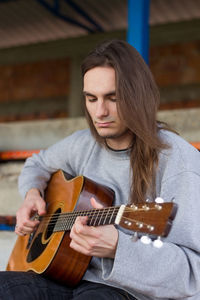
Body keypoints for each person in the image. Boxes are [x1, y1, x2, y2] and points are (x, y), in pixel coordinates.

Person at [0, 39, 200, 300]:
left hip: (128, 291)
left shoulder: (177, 160)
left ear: (138, 96)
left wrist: (119, 248)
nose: (100, 112)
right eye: (91, 99)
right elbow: (37, 164)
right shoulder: (83, 144)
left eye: (113, 98)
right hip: (63, 276)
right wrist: (32, 193)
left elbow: (192, 275)